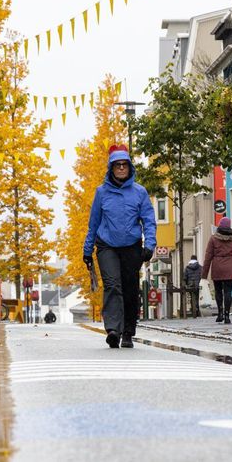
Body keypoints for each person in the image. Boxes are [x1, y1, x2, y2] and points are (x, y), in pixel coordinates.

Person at [83, 144, 157, 349]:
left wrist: (149, 245)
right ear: (111, 168)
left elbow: (149, 221)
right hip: (107, 245)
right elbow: (94, 223)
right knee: (113, 285)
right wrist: (87, 251)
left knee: (130, 288)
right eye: (118, 165)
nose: (122, 168)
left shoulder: (139, 193)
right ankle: (113, 330)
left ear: (130, 167)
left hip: (132, 246)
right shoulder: (101, 192)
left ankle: (128, 332)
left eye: (125, 165)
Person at [202, 217, 232, 324]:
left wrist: (204, 274)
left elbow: (208, 256)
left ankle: (220, 314)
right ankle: (227, 315)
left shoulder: (213, 238)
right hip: (230, 268)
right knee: (228, 292)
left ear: (219, 225)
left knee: (218, 291)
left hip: (217, 267)